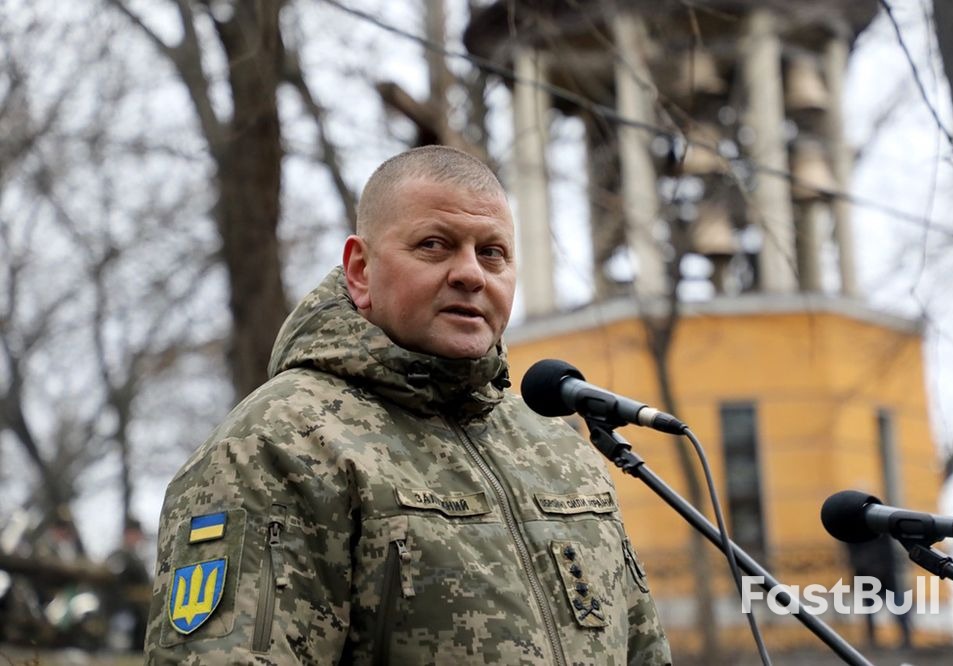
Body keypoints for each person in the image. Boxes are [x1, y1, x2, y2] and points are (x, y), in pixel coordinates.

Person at [143, 145, 671, 664]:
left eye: (492, 253)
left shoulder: (557, 446)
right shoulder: (278, 444)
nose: (471, 274)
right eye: (435, 245)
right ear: (360, 270)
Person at [105, 516, 152, 651]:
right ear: (127, 534)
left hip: (137, 611)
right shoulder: (120, 555)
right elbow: (113, 579)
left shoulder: (137, 556)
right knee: (120, 646)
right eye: (135, 534)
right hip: (121, 608)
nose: (138, 537)